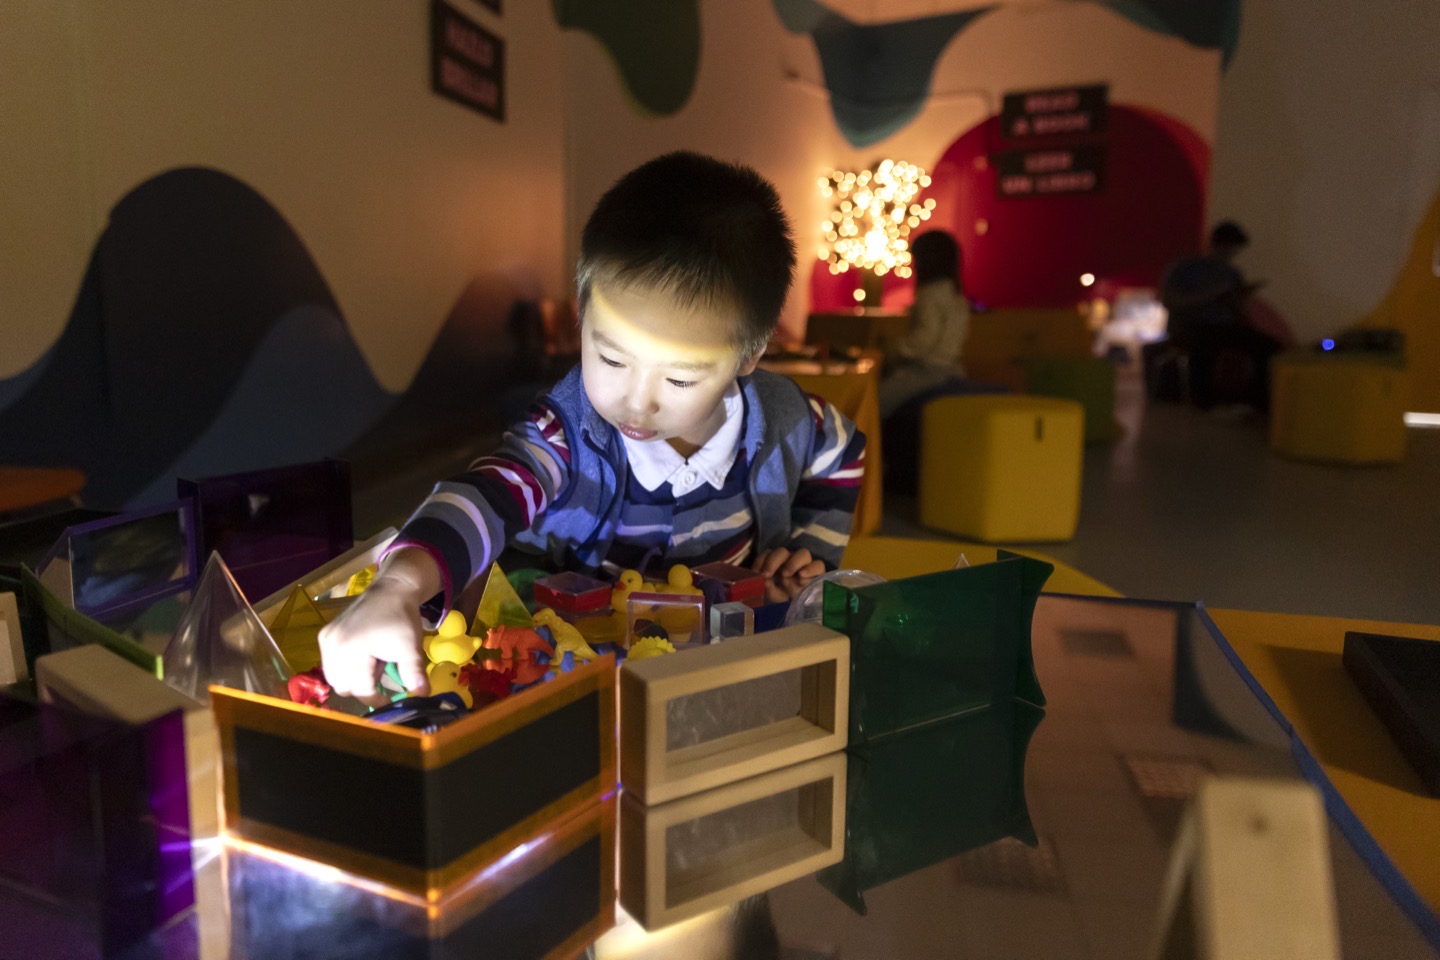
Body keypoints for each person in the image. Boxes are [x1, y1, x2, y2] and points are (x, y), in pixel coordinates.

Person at [319, 152, 867, 700]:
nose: (636, 402)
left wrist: (807, 555)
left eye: (678, 381)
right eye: (610, 360)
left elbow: (844, 454)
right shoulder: (567, 433)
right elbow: (489, 493)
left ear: (750, 355)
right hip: (579, 657)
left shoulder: (789, 422)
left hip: (716, 660)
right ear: (584, 316)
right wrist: (399, 584)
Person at [1159, 220, 1281, 412]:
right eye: (1229, 249)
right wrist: (1214, 293)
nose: (1231, 255)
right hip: (1189, 326)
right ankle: (1205, 402)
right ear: (1217, 244)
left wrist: (1240, 300)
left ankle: (1258, 403)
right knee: (1206, 342)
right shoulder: (1185, 267)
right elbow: (1171, 302)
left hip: (1224, 327)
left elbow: (1237, 310)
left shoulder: (1232, 273)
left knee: (1268, 346)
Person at [878, 229, 970, 419]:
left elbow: (924, 339)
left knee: (877, 401)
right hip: (954, 370)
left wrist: (894, 351)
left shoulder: (929, 295)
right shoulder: (955, 295)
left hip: (928, 371)